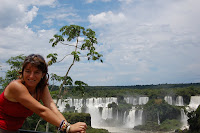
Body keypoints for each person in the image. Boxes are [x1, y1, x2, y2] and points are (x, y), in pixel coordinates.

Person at [0, 54, 87, 133]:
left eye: (36, 72)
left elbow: (51, 107)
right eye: (28, 71)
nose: (31, 76)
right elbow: (41, 110)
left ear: (43, 74)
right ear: (22, 72)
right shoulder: (16, 87)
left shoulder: (41, 87)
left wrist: (69, 128)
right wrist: (68, 128)